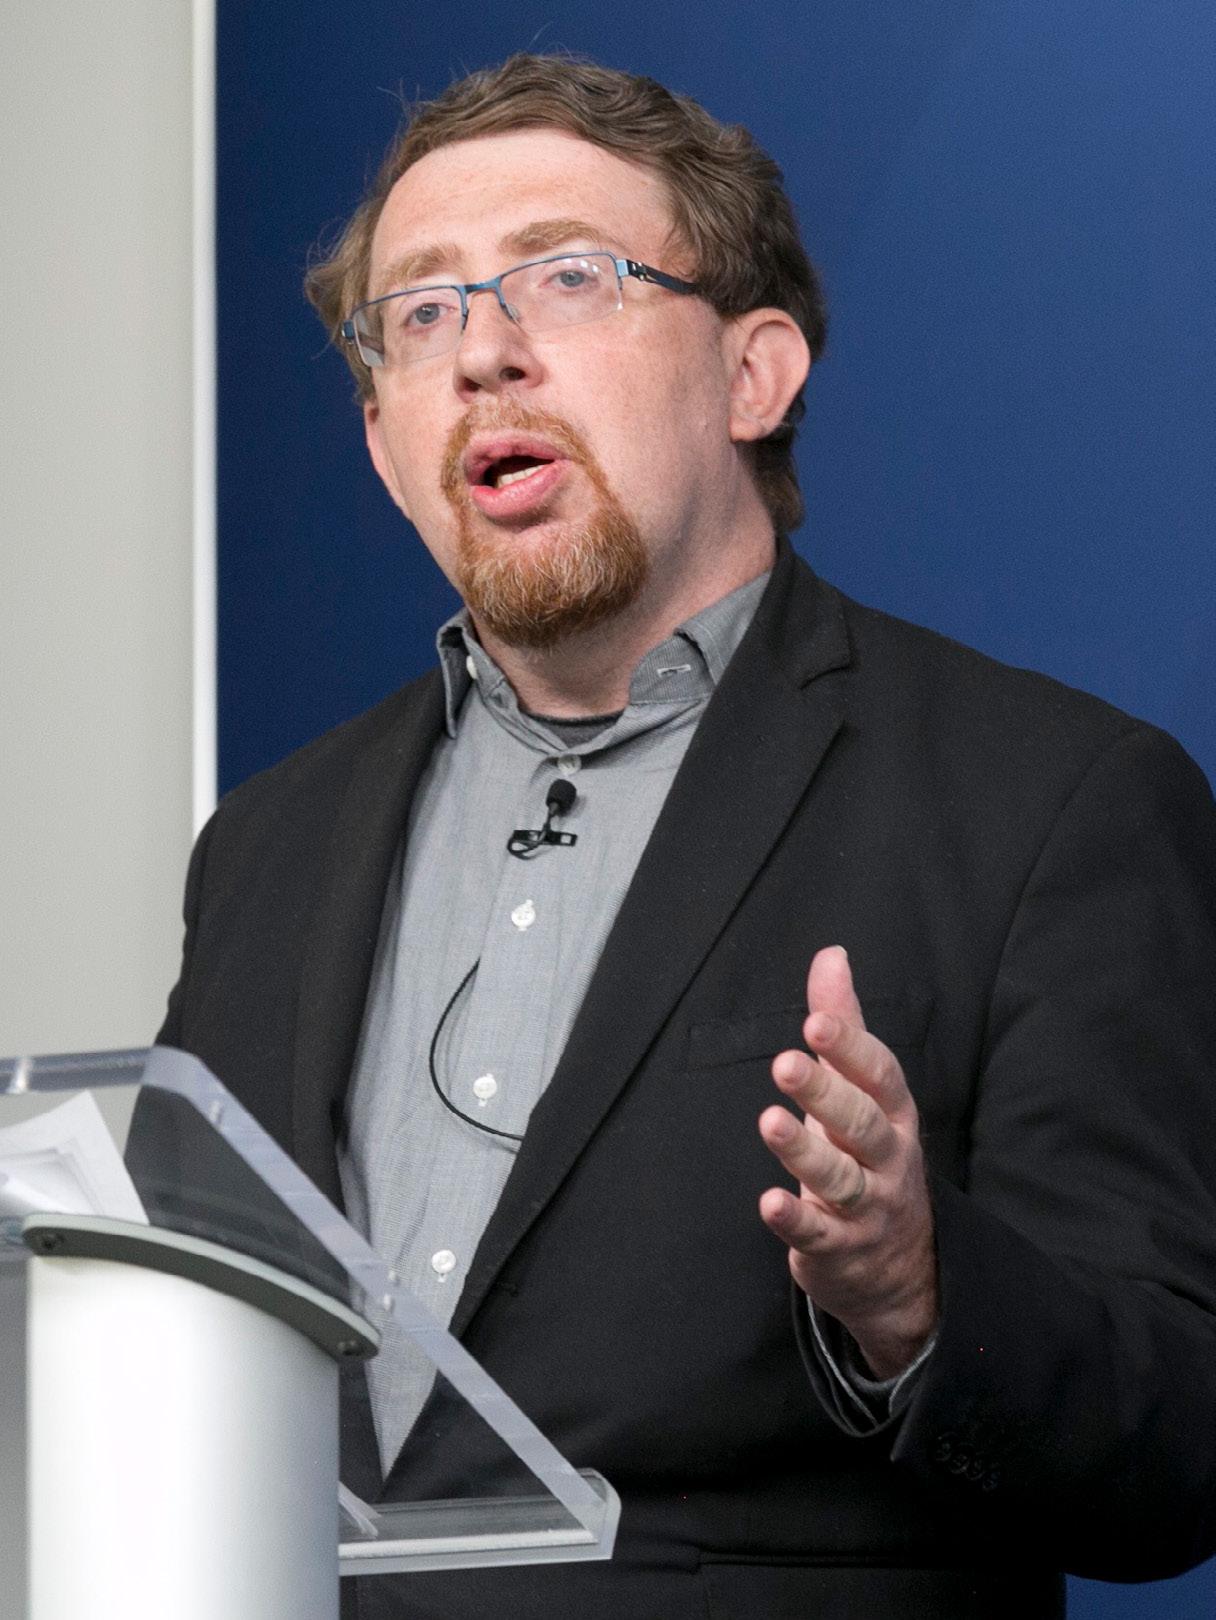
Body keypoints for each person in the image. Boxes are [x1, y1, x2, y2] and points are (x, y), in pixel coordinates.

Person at [158, 53, 1216, 1618]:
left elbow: (1176, 1441)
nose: (485, 353)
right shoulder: (263, 847)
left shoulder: (1056, 801)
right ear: (382, 441)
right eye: (423, 314)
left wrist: (918, 1288)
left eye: (566, 277)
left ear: (753, 376)